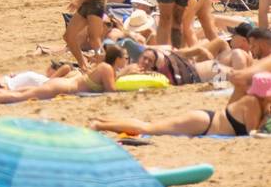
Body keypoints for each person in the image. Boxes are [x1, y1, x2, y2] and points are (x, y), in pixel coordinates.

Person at [91, 71, 271, 138]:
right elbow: (252, 133)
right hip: (203, 123)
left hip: (205, 122)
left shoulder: (256, 103)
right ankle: (99, 125)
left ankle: (104, 121)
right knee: (147, 128)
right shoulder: (252, 103)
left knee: (148, 126)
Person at [0, 45, 126, 105]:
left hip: (60, 85)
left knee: (16, 93)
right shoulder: (106, 68)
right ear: (117, 59)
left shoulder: (105, 68)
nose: (125, 60)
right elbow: (111, 91)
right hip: (61, 87)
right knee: (18, 97)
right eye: (124, 58)